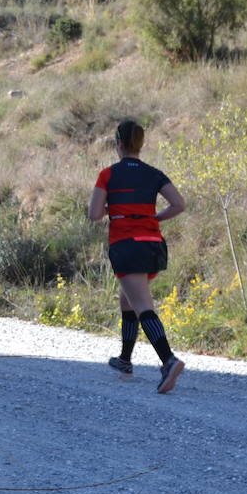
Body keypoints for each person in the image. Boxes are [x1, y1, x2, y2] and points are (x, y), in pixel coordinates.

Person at [88, 120, 188, 393]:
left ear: (118, 144)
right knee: (127, 298)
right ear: (140, 144)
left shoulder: (108, 174)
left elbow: (94, 214)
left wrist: (112, 206)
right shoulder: (154, 173)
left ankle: (168, 360)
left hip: (126, 244)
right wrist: (154, 217)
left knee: (142, 304)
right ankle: (125, 359)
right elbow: (179, 205)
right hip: (153, 244)